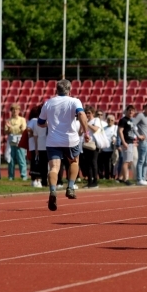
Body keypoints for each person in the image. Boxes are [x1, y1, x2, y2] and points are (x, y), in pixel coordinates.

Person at [37, 79, 92, 210]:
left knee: (54, 168)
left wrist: (48, 124)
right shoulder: (74, 101)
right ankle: (71, 187)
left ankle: (53, 190)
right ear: (69, 90)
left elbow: (40, 122)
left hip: (53, 140)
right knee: (74, 162)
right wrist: (86, 132)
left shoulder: (48, 103)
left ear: (56, 90)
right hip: (70, 139)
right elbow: (82, 115)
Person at [5, 103, 27, 181]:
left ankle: (23, 176)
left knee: (21, 159)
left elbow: (23, 129)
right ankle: (11, 176)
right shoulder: (8, 120)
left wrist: (11, 128)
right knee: (11, 160)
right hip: (11, 142)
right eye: (13, 109)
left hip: (20, 141)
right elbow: (6, 131)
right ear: (11, 111)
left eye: (17, 109)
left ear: (19, 111)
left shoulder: (22, 119)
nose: (15, 111)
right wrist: (14, 128)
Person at [81, 106, 102, 189]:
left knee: (93, 163)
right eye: (86, 113)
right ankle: (90, 181)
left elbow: (96, 129)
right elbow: (80, 132)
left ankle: (95, 181)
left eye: (89, 113)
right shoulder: (86, 121)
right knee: (87, 164)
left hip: (94, 144)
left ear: (93, 113)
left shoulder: (96, 120)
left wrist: (87, 124)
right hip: (86, 144)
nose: (87, 114)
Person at [133, 103, 147, 185]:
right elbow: (133, 125)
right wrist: (138, 135)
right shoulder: (140, 115)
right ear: (144, 108)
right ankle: (139, 179)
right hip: (143, 141)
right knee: (141, 160)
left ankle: (144, 177)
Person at [117, 106, 138, 185]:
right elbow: (120, 131)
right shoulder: (123, 120)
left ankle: (120, 177)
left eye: (132, 111)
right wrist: (123, 142)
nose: (131, 112)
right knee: (126, 161)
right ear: (126, 111)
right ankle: (126, 179)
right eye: (129, 111)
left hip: (131, 142)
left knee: (129, 161)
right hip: (126, 142)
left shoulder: (131, 121)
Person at [27, 105, 46, 187]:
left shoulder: (35, 121)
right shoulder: (34, 120)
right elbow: (29, 129)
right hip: (37, 145)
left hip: (36, 144)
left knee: (36, 163)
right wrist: (30, 134)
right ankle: (36, 180)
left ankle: (36, 180)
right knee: (38, 163)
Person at [99, 114, 118, 180]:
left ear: (114, 121)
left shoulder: (116, 128)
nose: (110, 121)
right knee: (106, 164)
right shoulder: (103, 128)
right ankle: (106, 177)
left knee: (112, 163)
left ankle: (112, 176)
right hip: (104, 149)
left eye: (112, 120)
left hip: (112, 149)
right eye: (109, 120)